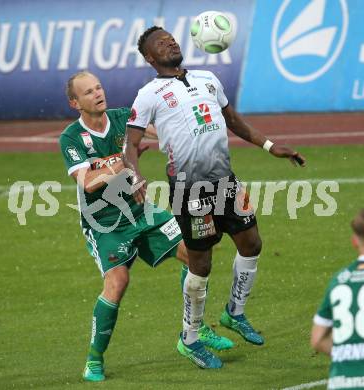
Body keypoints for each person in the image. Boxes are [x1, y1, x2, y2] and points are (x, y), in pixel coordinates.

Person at [123, 26, 306, 369]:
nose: (171, 42)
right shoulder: (148, 94)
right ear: (150, 58)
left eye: (171, 38)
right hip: (188, 189)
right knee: (201, 264)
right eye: (161, 43)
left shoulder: (208, 78)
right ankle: (189, 338)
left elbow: (232, 119)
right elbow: (130, 145)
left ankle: (234, 313)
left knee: (252, 243)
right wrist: (134, 176)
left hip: (226, 181)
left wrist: (269, 146)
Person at [58, 71, 233, 382]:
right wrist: (122, 163)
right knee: (118, 282)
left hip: (142, 212)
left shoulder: (123, 117)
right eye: (88, 92)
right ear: (75, 103)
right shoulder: (72, 137)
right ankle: (94, 359)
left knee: (196, 254)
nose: (98, 93)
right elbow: (87, 183)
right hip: (105, 223)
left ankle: (194, 330)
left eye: (99, 87)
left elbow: (161, 130)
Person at [311, 210, 364, 390]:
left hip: (340, 382)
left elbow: (318, 339)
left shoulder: (340, 279)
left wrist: (350, 356)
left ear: (354, 241)